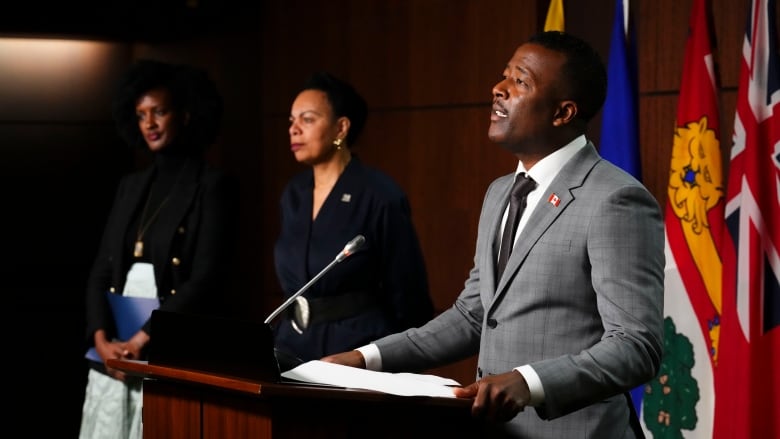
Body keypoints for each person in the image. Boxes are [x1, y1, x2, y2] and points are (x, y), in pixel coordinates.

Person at [322, 31, 665, 438]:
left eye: (520, 81)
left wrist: (530, 383)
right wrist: (365, 358)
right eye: (504, 76)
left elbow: (636, 345)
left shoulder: (615, 198)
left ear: (563, 112)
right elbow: (474, 316)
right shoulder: (500, 192)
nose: (498, 89)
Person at [79, 59, 239, 439]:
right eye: (141, 115)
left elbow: (206, 280)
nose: (149, 123)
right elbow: (101, 270)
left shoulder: (213, 186)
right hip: (116, 353)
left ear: (185, 114)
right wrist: (101, 340)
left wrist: (141, 340)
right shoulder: (131, 186)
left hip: (173, 346)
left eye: (159, 112)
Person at [272, 71, 434, 366]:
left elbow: (409, 294)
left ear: (341, 128)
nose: (294, 129)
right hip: (291, 346)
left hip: (355, 349)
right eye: (292, 121)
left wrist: (395, 360)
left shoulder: (379, 194)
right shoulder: (293, 194)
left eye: (307, 119)